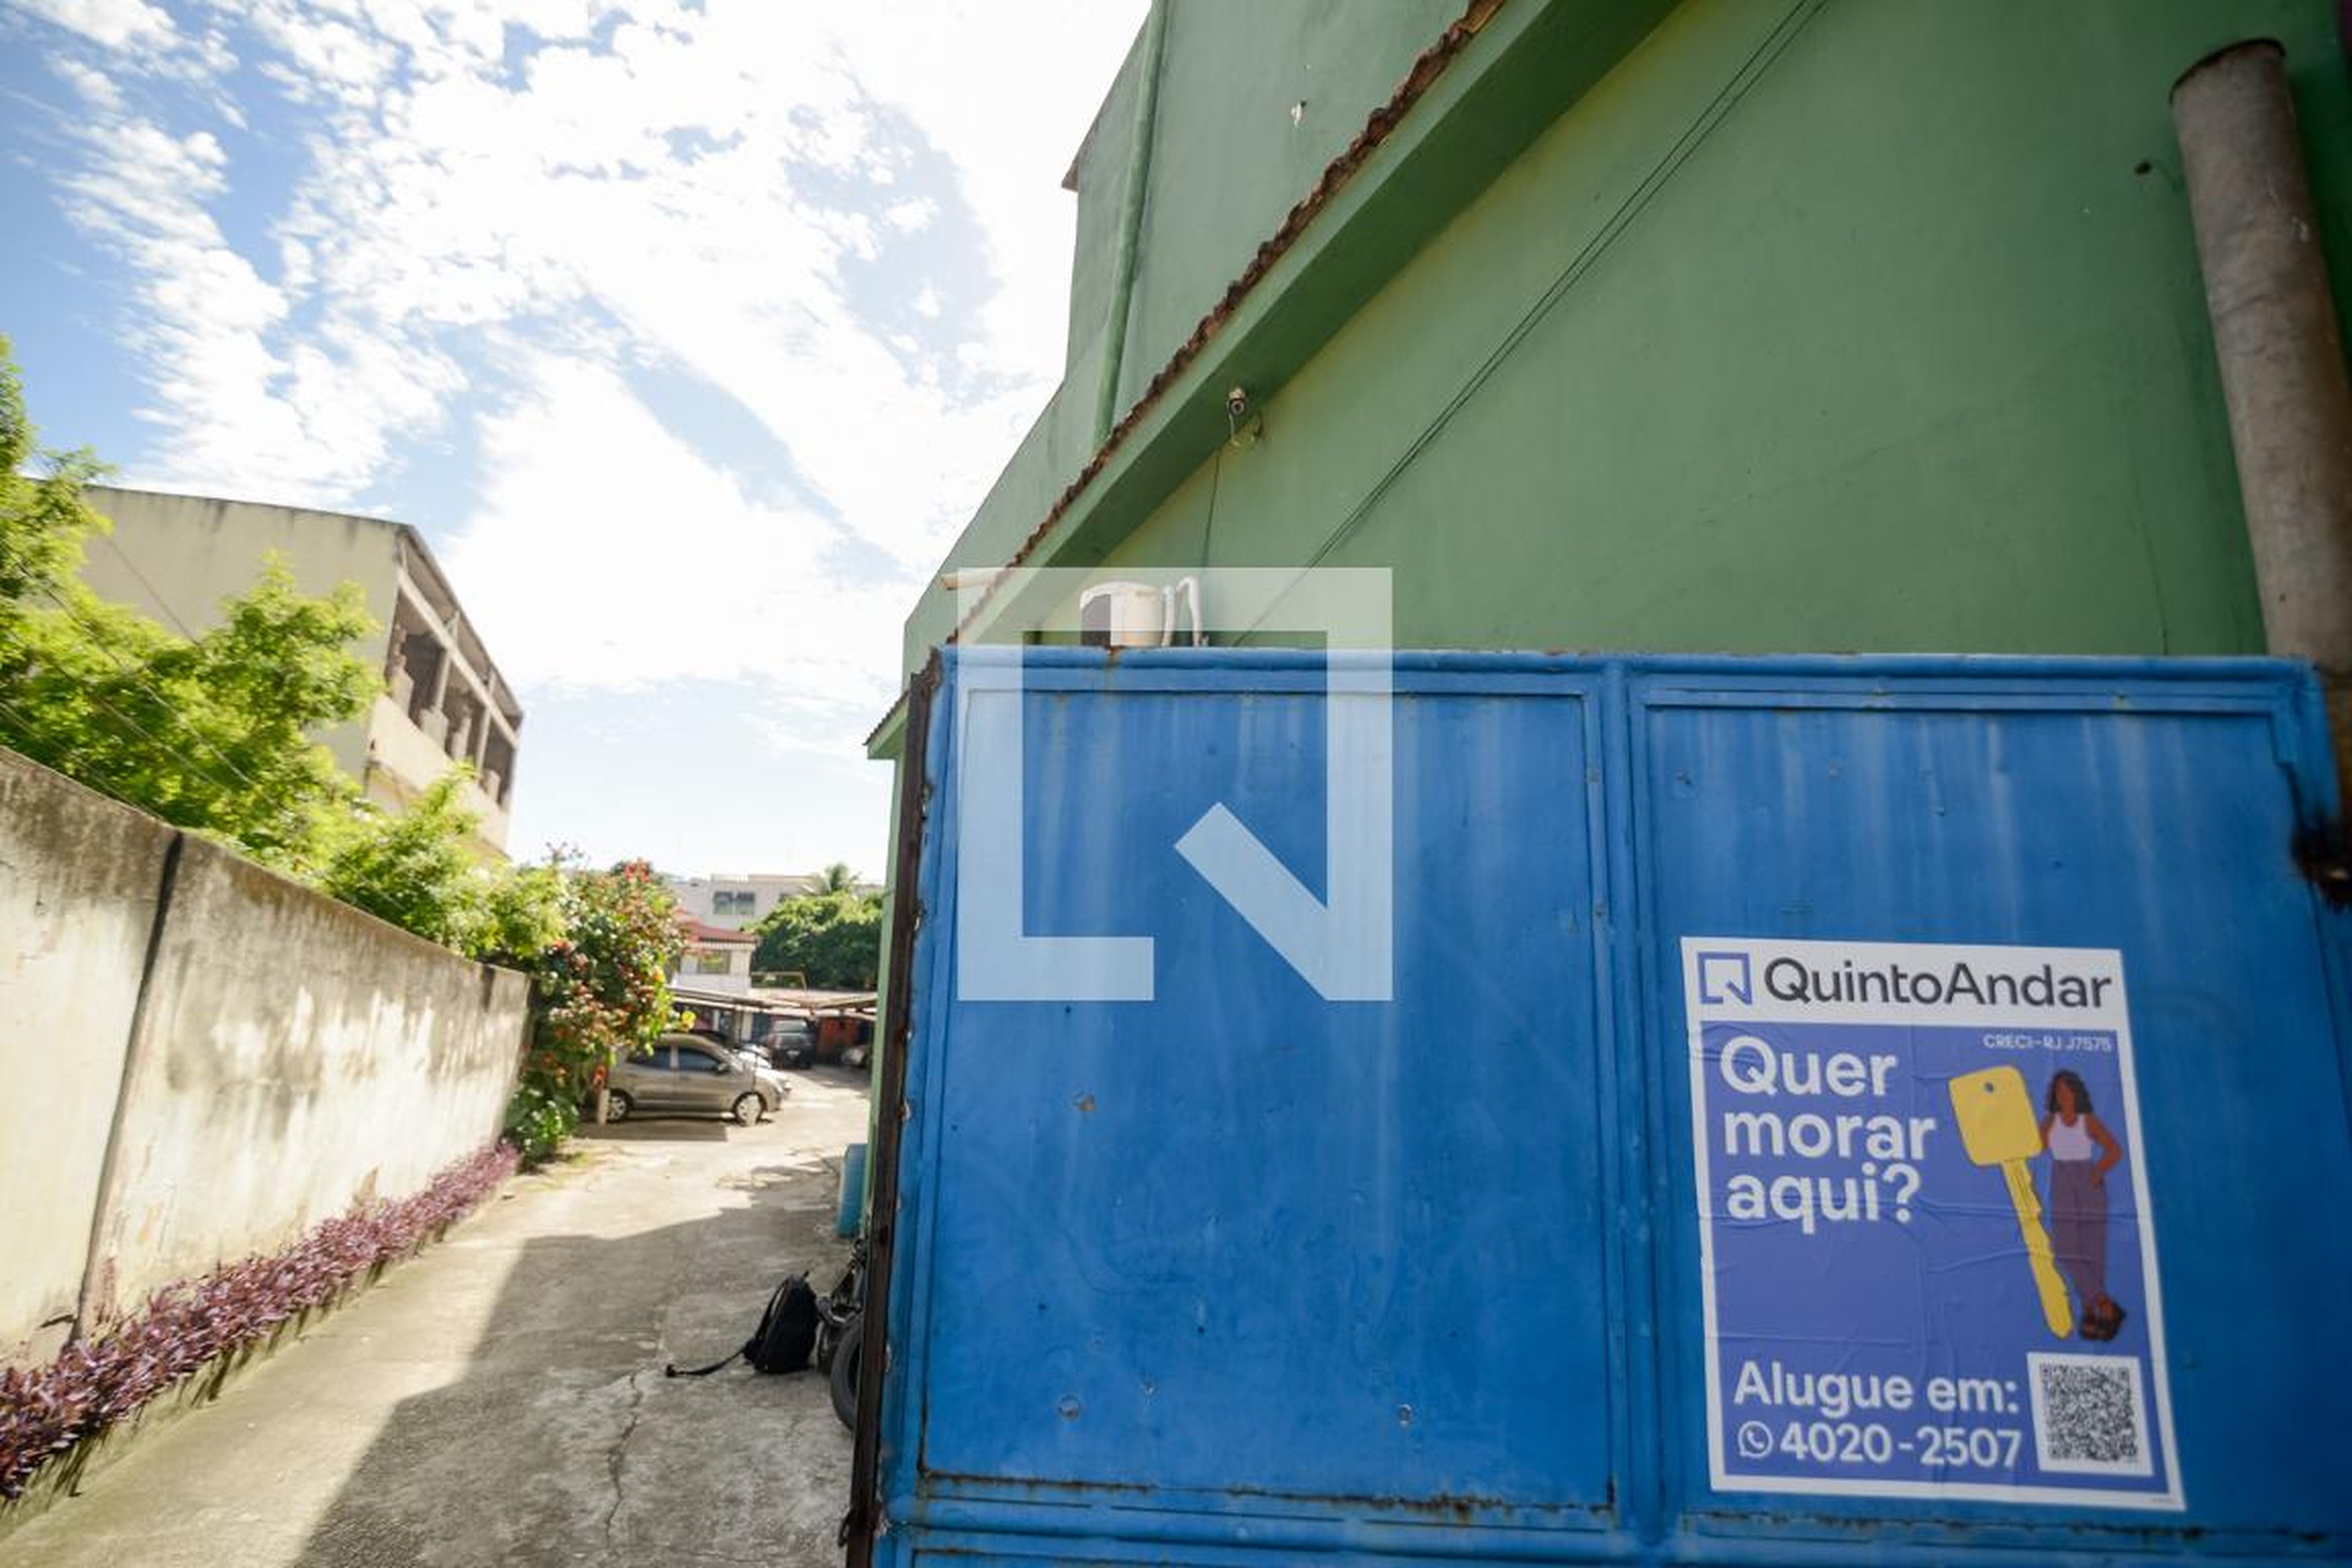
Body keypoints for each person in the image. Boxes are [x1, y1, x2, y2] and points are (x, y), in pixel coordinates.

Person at [2040, 1069, 2127, 1340]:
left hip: (2087, 1180)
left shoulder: (2088, 1121)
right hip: (2061, 1181)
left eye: (2068, 1090)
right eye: (2059, 1091)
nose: (2063, 1095)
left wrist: (2098, 1172)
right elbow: (2034, 1146)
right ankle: (2105, 1305)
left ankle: (2091, 1314)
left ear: (2077, 1093)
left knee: (2092, 1250)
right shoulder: (2049, 1122)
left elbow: (2114, 1150)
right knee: (2065, 1249)